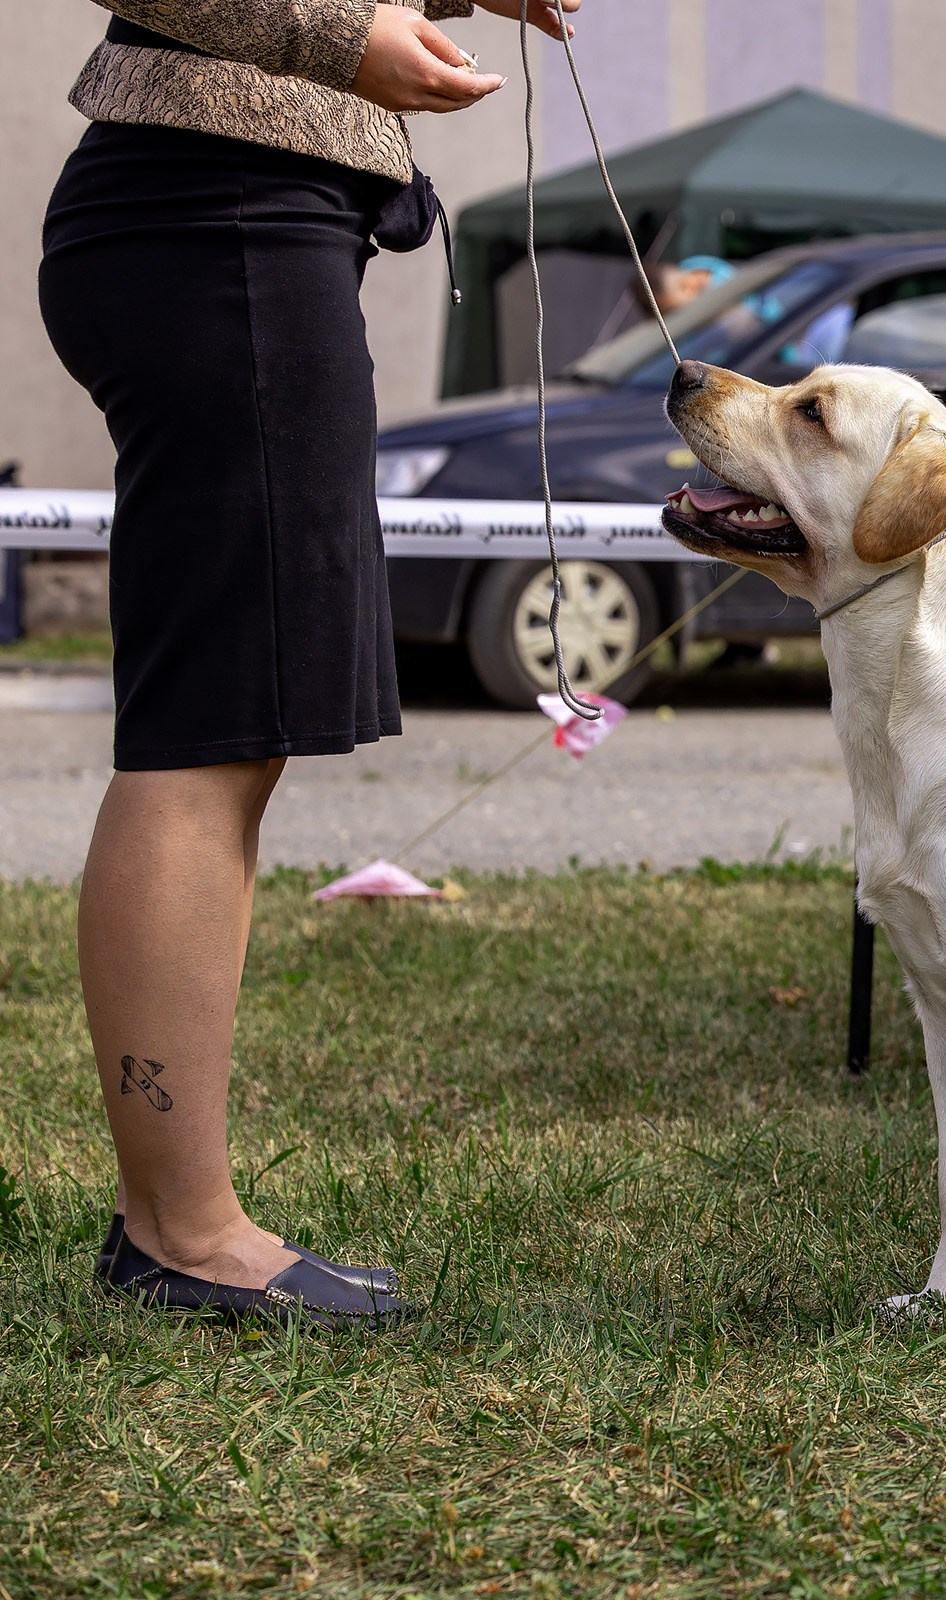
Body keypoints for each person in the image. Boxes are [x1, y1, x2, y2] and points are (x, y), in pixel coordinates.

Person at [39, 0, 579, 1328]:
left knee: (229, 726)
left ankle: (173, 1217)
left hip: (225, 219)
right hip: (212, 217)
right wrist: (343, 41)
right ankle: (180, 1232)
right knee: (209, 728)